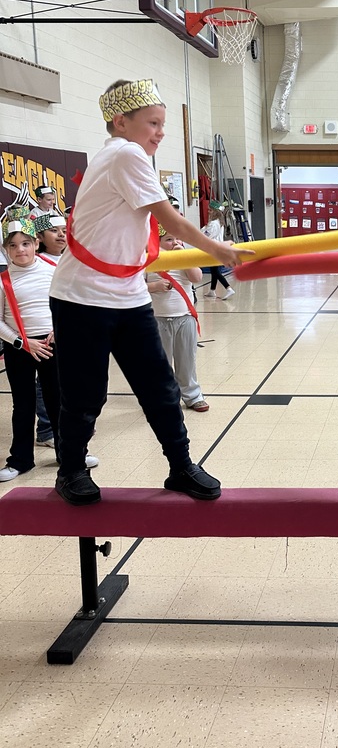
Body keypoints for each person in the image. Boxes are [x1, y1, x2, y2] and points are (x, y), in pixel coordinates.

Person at [49, 78, 248, 506]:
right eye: (153, 123)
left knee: (158, 387)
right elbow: (170, 220)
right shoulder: (125, 153)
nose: (160, 132)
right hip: (82, 295)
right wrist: (219, 250)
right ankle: (71, 472)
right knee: (85, 393)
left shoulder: (123, 155)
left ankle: (180, 467)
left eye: (163, 124)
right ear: (121, 122)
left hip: (127, 292)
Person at [0, 207, 98, 482]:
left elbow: (71, 299)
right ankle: (20, 459)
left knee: (60, 403)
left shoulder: (54, 268)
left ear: (36, 244)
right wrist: (22, 341)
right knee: (23, 405)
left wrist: (60, 328)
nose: (21, 250)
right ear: (5, 249)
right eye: (13, 245)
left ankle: (69, 454)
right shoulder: (4, 280)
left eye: (26, 244)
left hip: (53, 344)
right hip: (20, 347)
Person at [147, 226, 209, 413]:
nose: (174, 243)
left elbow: (197, 277)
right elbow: (135, 285)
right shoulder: (149, 259)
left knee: (187, 360)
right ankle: (162, 397)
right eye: (168, 240)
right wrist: (156, 286)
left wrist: (185, 259)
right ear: (157, 242)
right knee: (160, 363)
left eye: (177, 239)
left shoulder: (185, 259)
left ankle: (192, 395)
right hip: (158, 319)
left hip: (185, 317)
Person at [32, 212, 67, 449]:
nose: (61, 234)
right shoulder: (38, 262)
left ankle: (66, 424)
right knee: (45, 383)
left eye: (64, 230)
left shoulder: (70, 259)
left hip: (69, 328)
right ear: (40, 238)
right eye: (54, 231)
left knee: (67, 380)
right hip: (46, 331)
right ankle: (46, 429)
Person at [203, 202, 235, 300]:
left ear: (216, 212)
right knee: (214, 270)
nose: (208, 212)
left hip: (214, 249)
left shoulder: (214, 224)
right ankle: (212, 290)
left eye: (210, 210)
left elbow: (207, 236)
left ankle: (228, 288)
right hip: (217, 249)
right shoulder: (219, 222)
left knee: (216, 272)